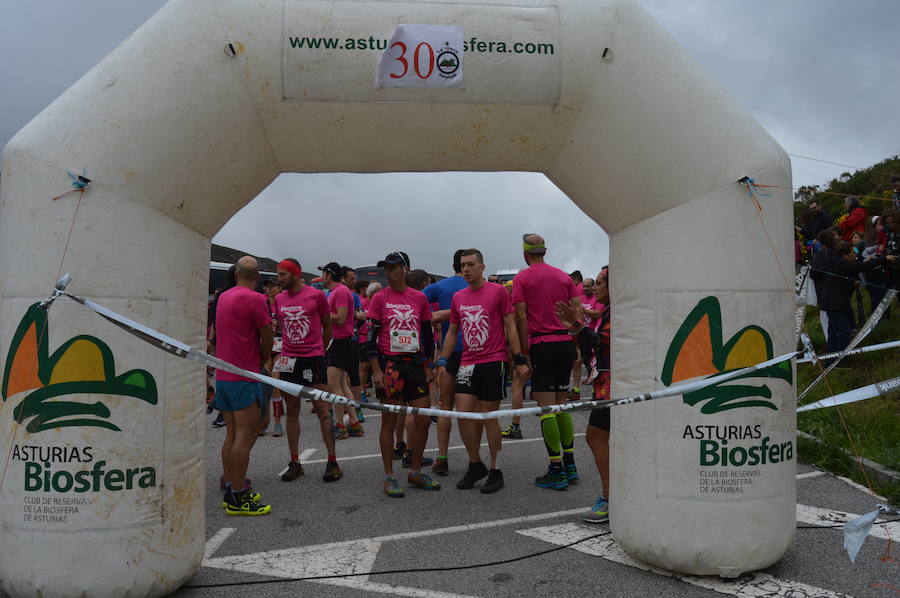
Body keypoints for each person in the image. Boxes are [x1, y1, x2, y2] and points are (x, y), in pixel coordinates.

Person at [437, 249, 528, 494]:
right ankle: (475, 463)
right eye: (463, 265)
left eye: (471, 264)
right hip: (467, 362)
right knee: (464, 416)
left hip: (493, 360)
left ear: (482, 267)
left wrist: (519, 359)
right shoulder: (458, 297)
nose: (466, 269)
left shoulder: (497, 292)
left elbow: (510, 327)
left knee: (489, 417)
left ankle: (496, 469)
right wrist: (443, 361)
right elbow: (452, 332)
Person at [365, 251, 440, 497]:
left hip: (416, 365)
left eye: (393, 268)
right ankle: (389, 476)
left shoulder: (419, 298)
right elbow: (370, 338)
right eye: (386, 268)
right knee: (389, 421)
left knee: (423, 418)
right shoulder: (379, 298)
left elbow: (427, 335)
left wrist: (429, 365)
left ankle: (415, 471)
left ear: (405, 269)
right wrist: (375, 370)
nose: (389, 272)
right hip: (390, 366)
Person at [513, 234, 580, 490]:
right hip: (564, 343)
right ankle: (570, 464)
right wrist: (572, 336)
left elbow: (520, 314)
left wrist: (523, 352)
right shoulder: (564, 277)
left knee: (546, 409)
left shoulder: (523, 277)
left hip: (542, 344)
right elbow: (577, 313)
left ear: (525, 253)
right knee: (561, 404)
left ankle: (556, 470)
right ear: (544, 250)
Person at [274, 258, 343, 483]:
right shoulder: (279, 298)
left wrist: (318, 351)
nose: (279, 279)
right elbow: (282, 328)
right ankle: (295, 461)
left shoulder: (316, 296)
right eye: (279, 274)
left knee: (323, 410)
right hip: (288, 360)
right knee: (291, 411)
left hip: (312, 359)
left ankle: (332, 461)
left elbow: (328, 326)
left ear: (295, 274)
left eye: (283, 274)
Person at [214, 256, 274, 515]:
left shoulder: (223, 297)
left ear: (236, 273)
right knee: (245, 436)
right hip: (244, 374)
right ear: (257, 277)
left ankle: (231, 482)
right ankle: (238, 496)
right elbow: (267, 338)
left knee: (231, 433)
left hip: (224, 374)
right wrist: (261, 361)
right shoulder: (257, 299)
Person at [556, 268, 611, 523]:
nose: (594, 288)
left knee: (596, 437)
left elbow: (603, 344)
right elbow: (592, 346)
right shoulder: (606, 313)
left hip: (615, 387)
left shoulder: (616, 313)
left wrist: (577, 324)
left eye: (600, 283)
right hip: (605, 384)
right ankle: (612, 497)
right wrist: (574, 328)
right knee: (598, 438)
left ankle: (611, 500)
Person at [423, 249, 468, 475]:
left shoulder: (440, 286)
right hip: (474, 353)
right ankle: (475, 460)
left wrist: (437, 316)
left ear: (453, 266)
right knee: (472, 409)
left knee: (446, 406)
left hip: (449, 354)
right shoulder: (479, 286)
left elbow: (416, 300)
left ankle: (442, 457)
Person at [819, 242, 892, 355]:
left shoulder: (838, 262)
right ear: (845, 254)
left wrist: (863, 262)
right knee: (843, 331)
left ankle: (830, 359)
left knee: (833, 331)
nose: (854, 254)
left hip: (831, 303)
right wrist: (884, 258)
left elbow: (857, 265)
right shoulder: (843, 264)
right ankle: (840, 360)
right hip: (835, 304)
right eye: (852, 252)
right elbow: (861, 267)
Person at [320, 262, 364, 440]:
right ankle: (353, 423)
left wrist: (321, 313)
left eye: (323, 274)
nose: (322, 277)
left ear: (329, 275)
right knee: (343, 384)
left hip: (341, 341)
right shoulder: (333, 292)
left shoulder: (341, 291)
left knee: (332, 384)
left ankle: (339, 424)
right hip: (335, 340)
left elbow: (341, 317)